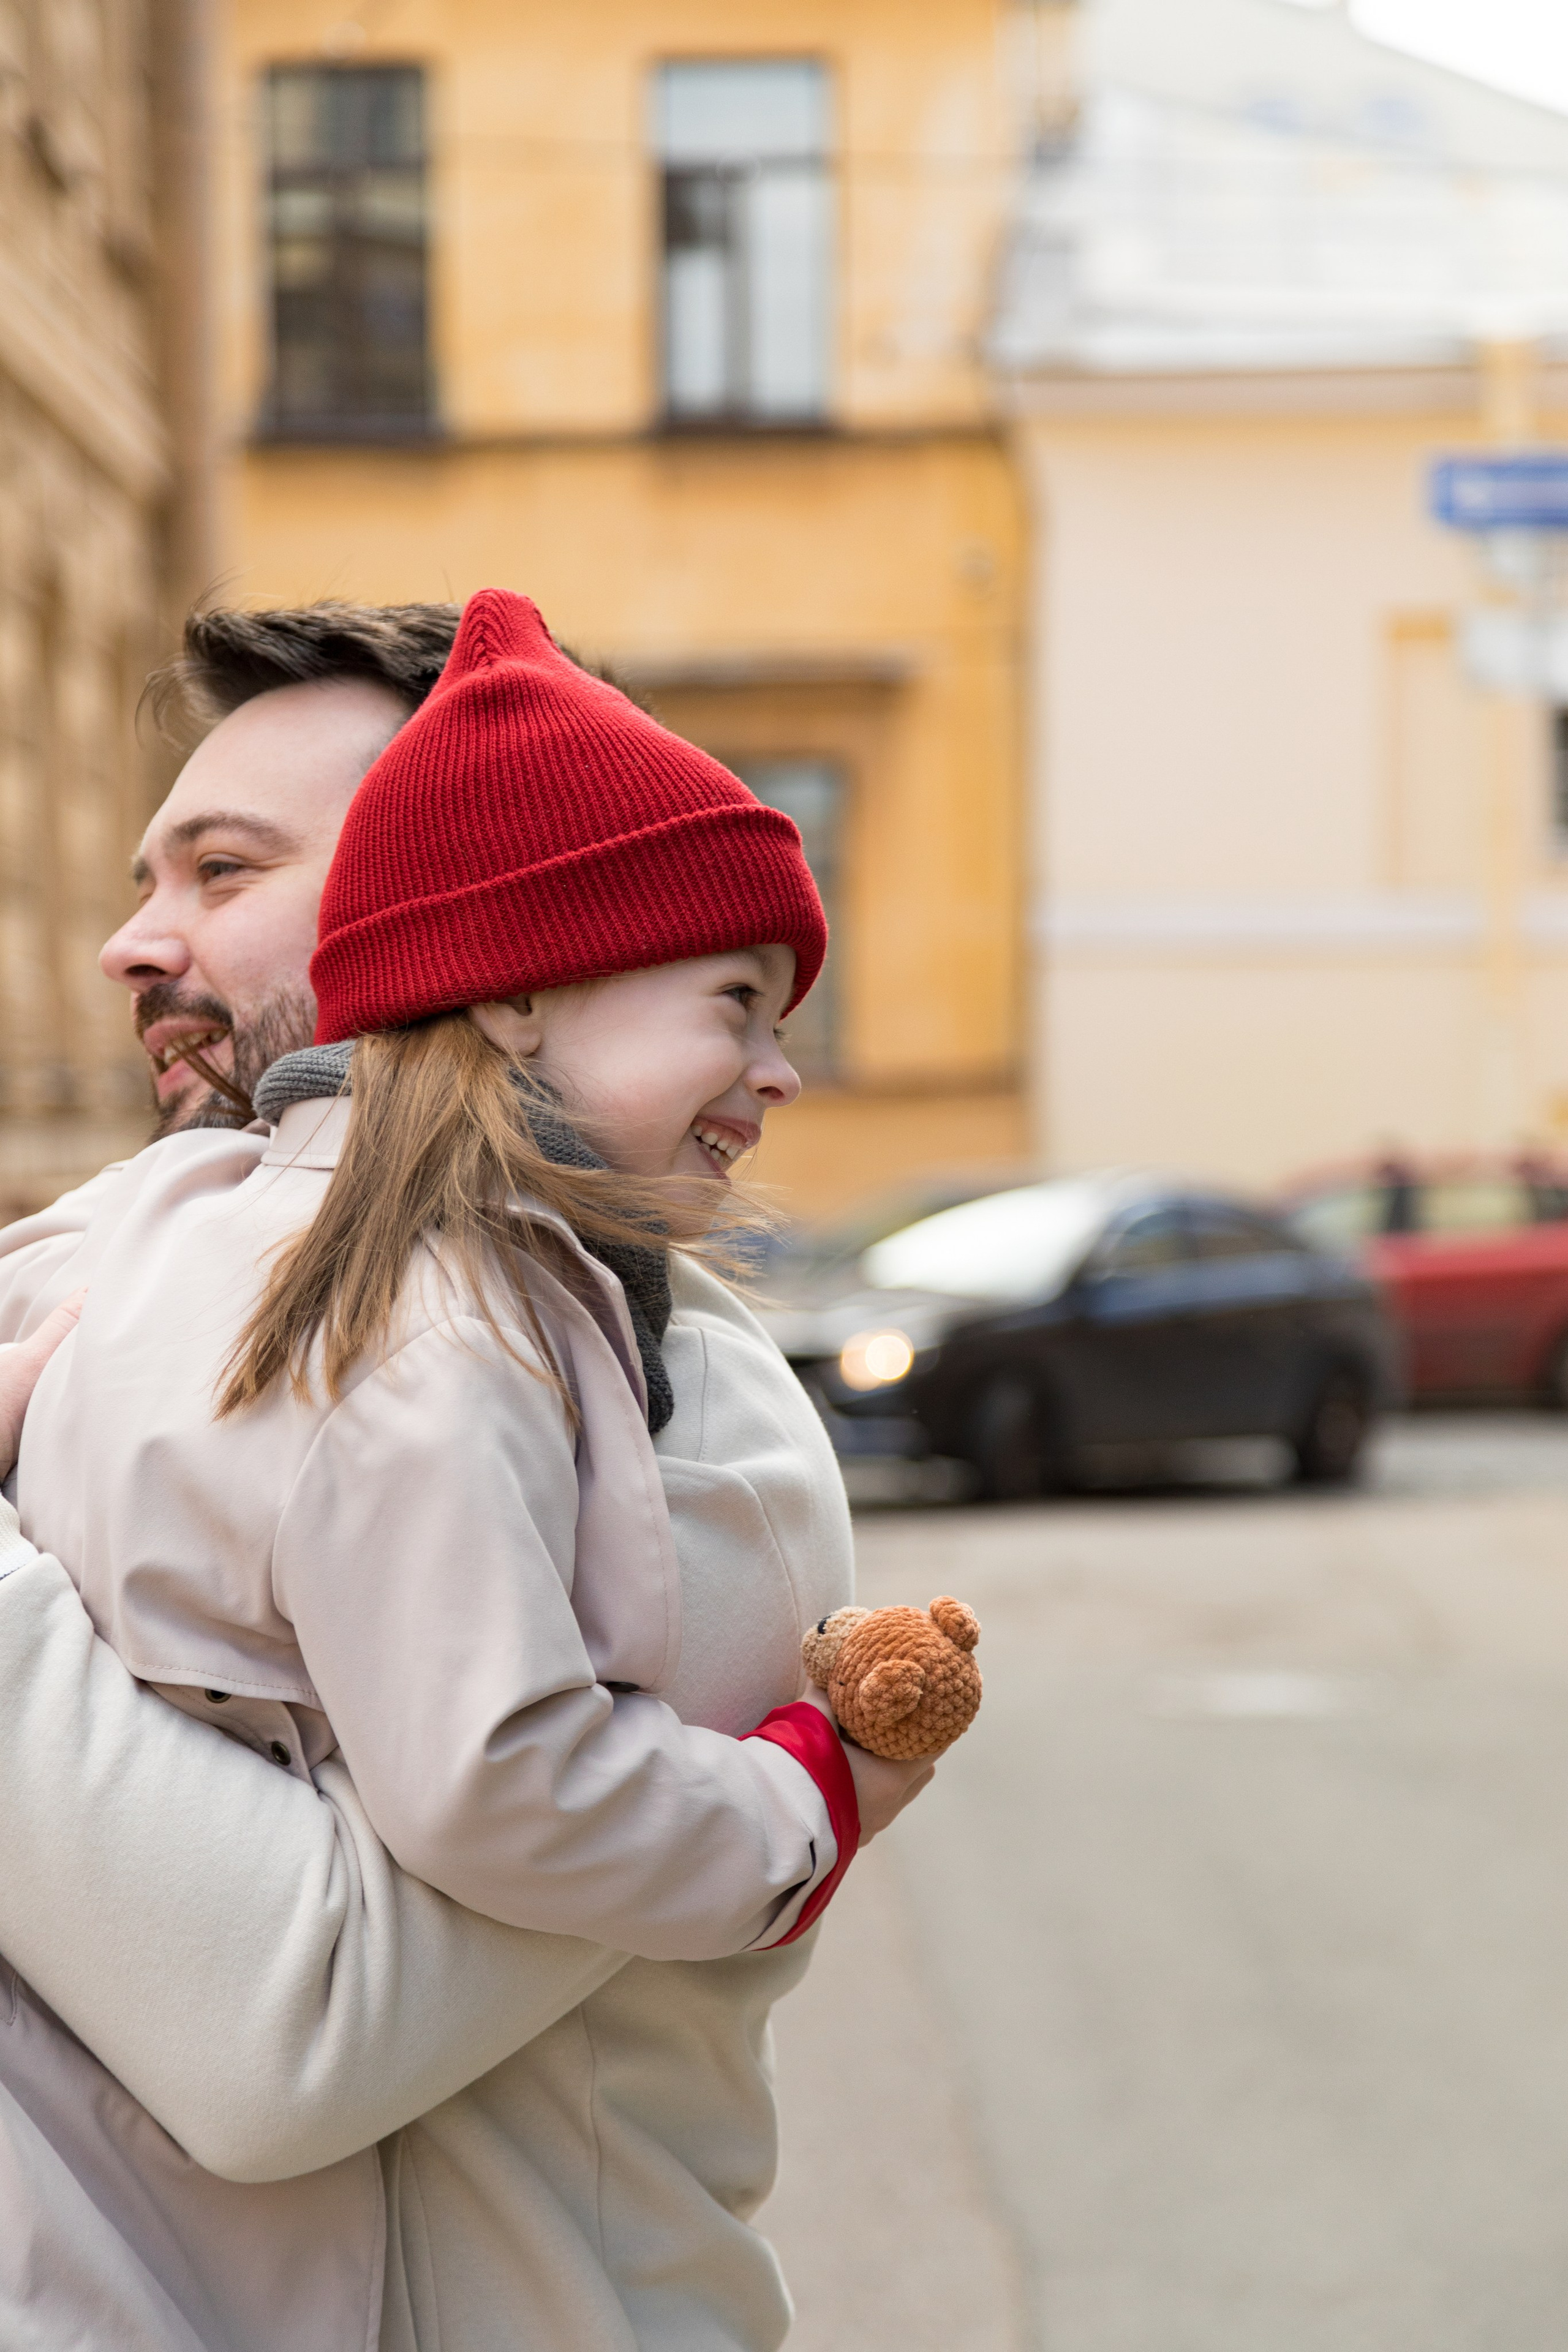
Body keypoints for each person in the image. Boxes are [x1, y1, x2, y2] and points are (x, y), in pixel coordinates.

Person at [0, 594, 933, 2349]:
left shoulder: (674, 1425)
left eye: (222, 870)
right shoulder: (136, 1262)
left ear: (451, 916)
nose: (137, 941)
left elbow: (289, 2040)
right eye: (145, 878)